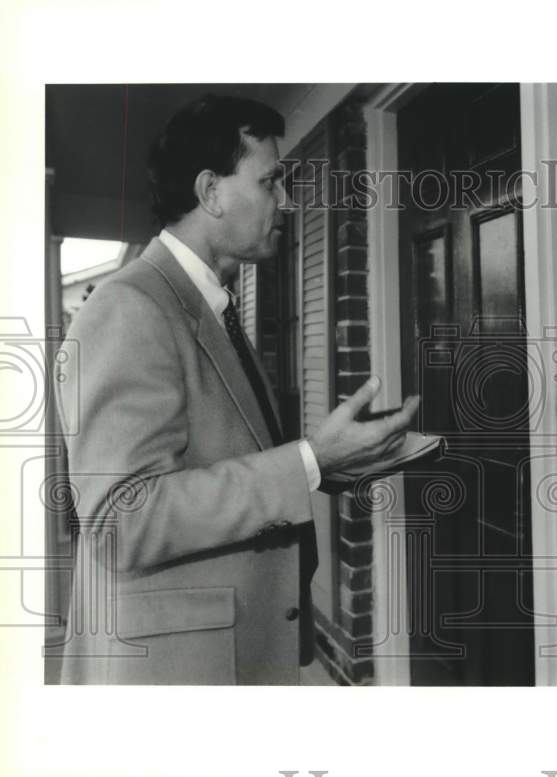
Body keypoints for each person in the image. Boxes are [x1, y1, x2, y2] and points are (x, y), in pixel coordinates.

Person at [55, 94, 419, 684]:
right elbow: (120, 522)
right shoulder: (130, 306)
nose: (287, 201)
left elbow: (216, 466)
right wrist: (306, 462)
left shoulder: (209, 309)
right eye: (271, 181)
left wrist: (327, 467)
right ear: (210, 192)